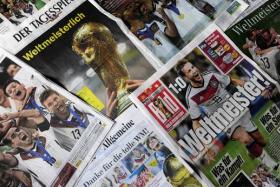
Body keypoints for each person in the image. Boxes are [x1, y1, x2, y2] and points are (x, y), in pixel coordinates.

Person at [177, 60, 278, 171]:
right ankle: (273, 166)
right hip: (224, 119)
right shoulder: (190, 97)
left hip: (236, 108)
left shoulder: (211, 75)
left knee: (260, 139)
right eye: (189, 71)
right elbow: (195, 122)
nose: (194, 70)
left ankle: (254, 152)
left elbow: (233, 81)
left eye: (193, 66)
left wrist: (258, 88)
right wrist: (204, 143)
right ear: (186, 78)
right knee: (246, 138)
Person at [1, 126, 68, 186]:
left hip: (75, 168)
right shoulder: (20, 159)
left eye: (17, 130)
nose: (18, 133)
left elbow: (37, 115)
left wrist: (13, 118)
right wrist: (13, 172)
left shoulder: (44, 134)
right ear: (13, 145)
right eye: (13, 136)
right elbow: (2, 157)